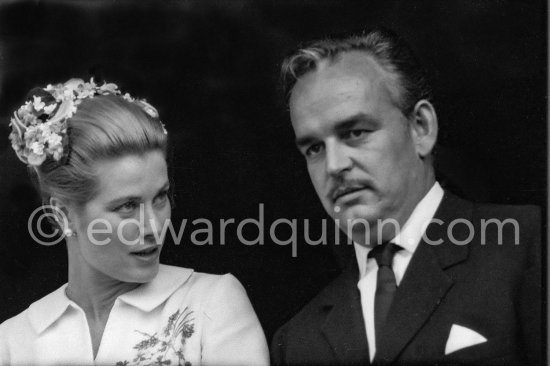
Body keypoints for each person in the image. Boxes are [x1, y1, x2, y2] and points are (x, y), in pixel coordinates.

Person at [271, 28, 541, 365]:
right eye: (313, 148)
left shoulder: (528, 245)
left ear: (421, 128)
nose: (334, 165)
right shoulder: (296, 341)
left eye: (355, 132)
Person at [0, 78, 269, 366]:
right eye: (128, 206)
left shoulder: (211, 305)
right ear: (62, 215)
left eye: (161, 196)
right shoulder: (12, 343)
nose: (154, 226)